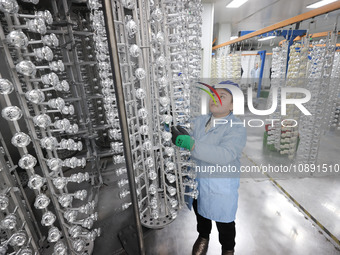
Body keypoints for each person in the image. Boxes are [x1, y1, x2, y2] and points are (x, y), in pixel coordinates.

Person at [171, 81, 247, 255]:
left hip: (221, 184)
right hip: (199, 181)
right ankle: (203, 237)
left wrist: (191, 145)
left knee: (225, 222)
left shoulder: (236, 127)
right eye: (213, 95)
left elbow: (225, 154)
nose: (215, 98)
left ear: (233, 105)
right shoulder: (201, 120)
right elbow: (184, 129)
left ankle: (228, 249)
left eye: (222, 96)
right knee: (201, 213)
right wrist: (171, 124)